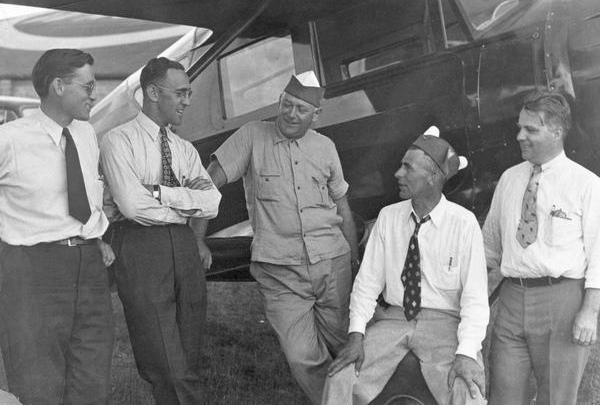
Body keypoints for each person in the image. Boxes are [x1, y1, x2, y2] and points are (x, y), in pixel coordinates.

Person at [206, 71, 359, 404]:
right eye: (286, 104)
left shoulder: (325, 147)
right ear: (279, 101)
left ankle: (367, 398)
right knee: (302, 356)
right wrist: (196, 236)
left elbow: (342, 206)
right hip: (280, 271)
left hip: (332, 264)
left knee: (347, 345)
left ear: (315, 115)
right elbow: (209, 182)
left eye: (301, 109)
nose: (290, 114)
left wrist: (352, 256)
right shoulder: (251, 135)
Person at [323, 127, 489, 405]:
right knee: (340, 377)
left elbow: (475, 298)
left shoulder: (464, 224)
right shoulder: (388, 217)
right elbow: (367, 284)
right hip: (394, 320)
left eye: (407, 168)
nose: (397, 174)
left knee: (468, 392)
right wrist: (355, 336)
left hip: (444, 324)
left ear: (433, 177)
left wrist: (466, 353)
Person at [99, 57, 221, 404]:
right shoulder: (118, 141)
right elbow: (132, 207)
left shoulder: (184, 148)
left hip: (183, 246)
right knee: (164, 361)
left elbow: (211, 201)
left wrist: (158, 192)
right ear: (153, 92)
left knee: (187, 353)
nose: (187, 100)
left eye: (189, 93)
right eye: (180, 92)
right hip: (139, 245)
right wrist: (184, 201)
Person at [0, 49, 115, 404]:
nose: (95, 94)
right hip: (32, 268)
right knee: (37, 378)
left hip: (89, 266)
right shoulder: (10, 139)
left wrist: (95, 238)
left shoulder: (86, 134)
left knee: (92, 372)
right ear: (58, 86)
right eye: (88, 85)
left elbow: (87, 196)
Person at [483, 91, 600, 405]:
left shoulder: (586, 184)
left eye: (530, 130)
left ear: (557, 133)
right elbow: (489, 249)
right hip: (511, 299)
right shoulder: (509, 179)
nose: (520, 136)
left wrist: (589, 311)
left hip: (561, 302)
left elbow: (599, 256)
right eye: (520, 127)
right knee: (503, 398)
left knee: (556, 400)